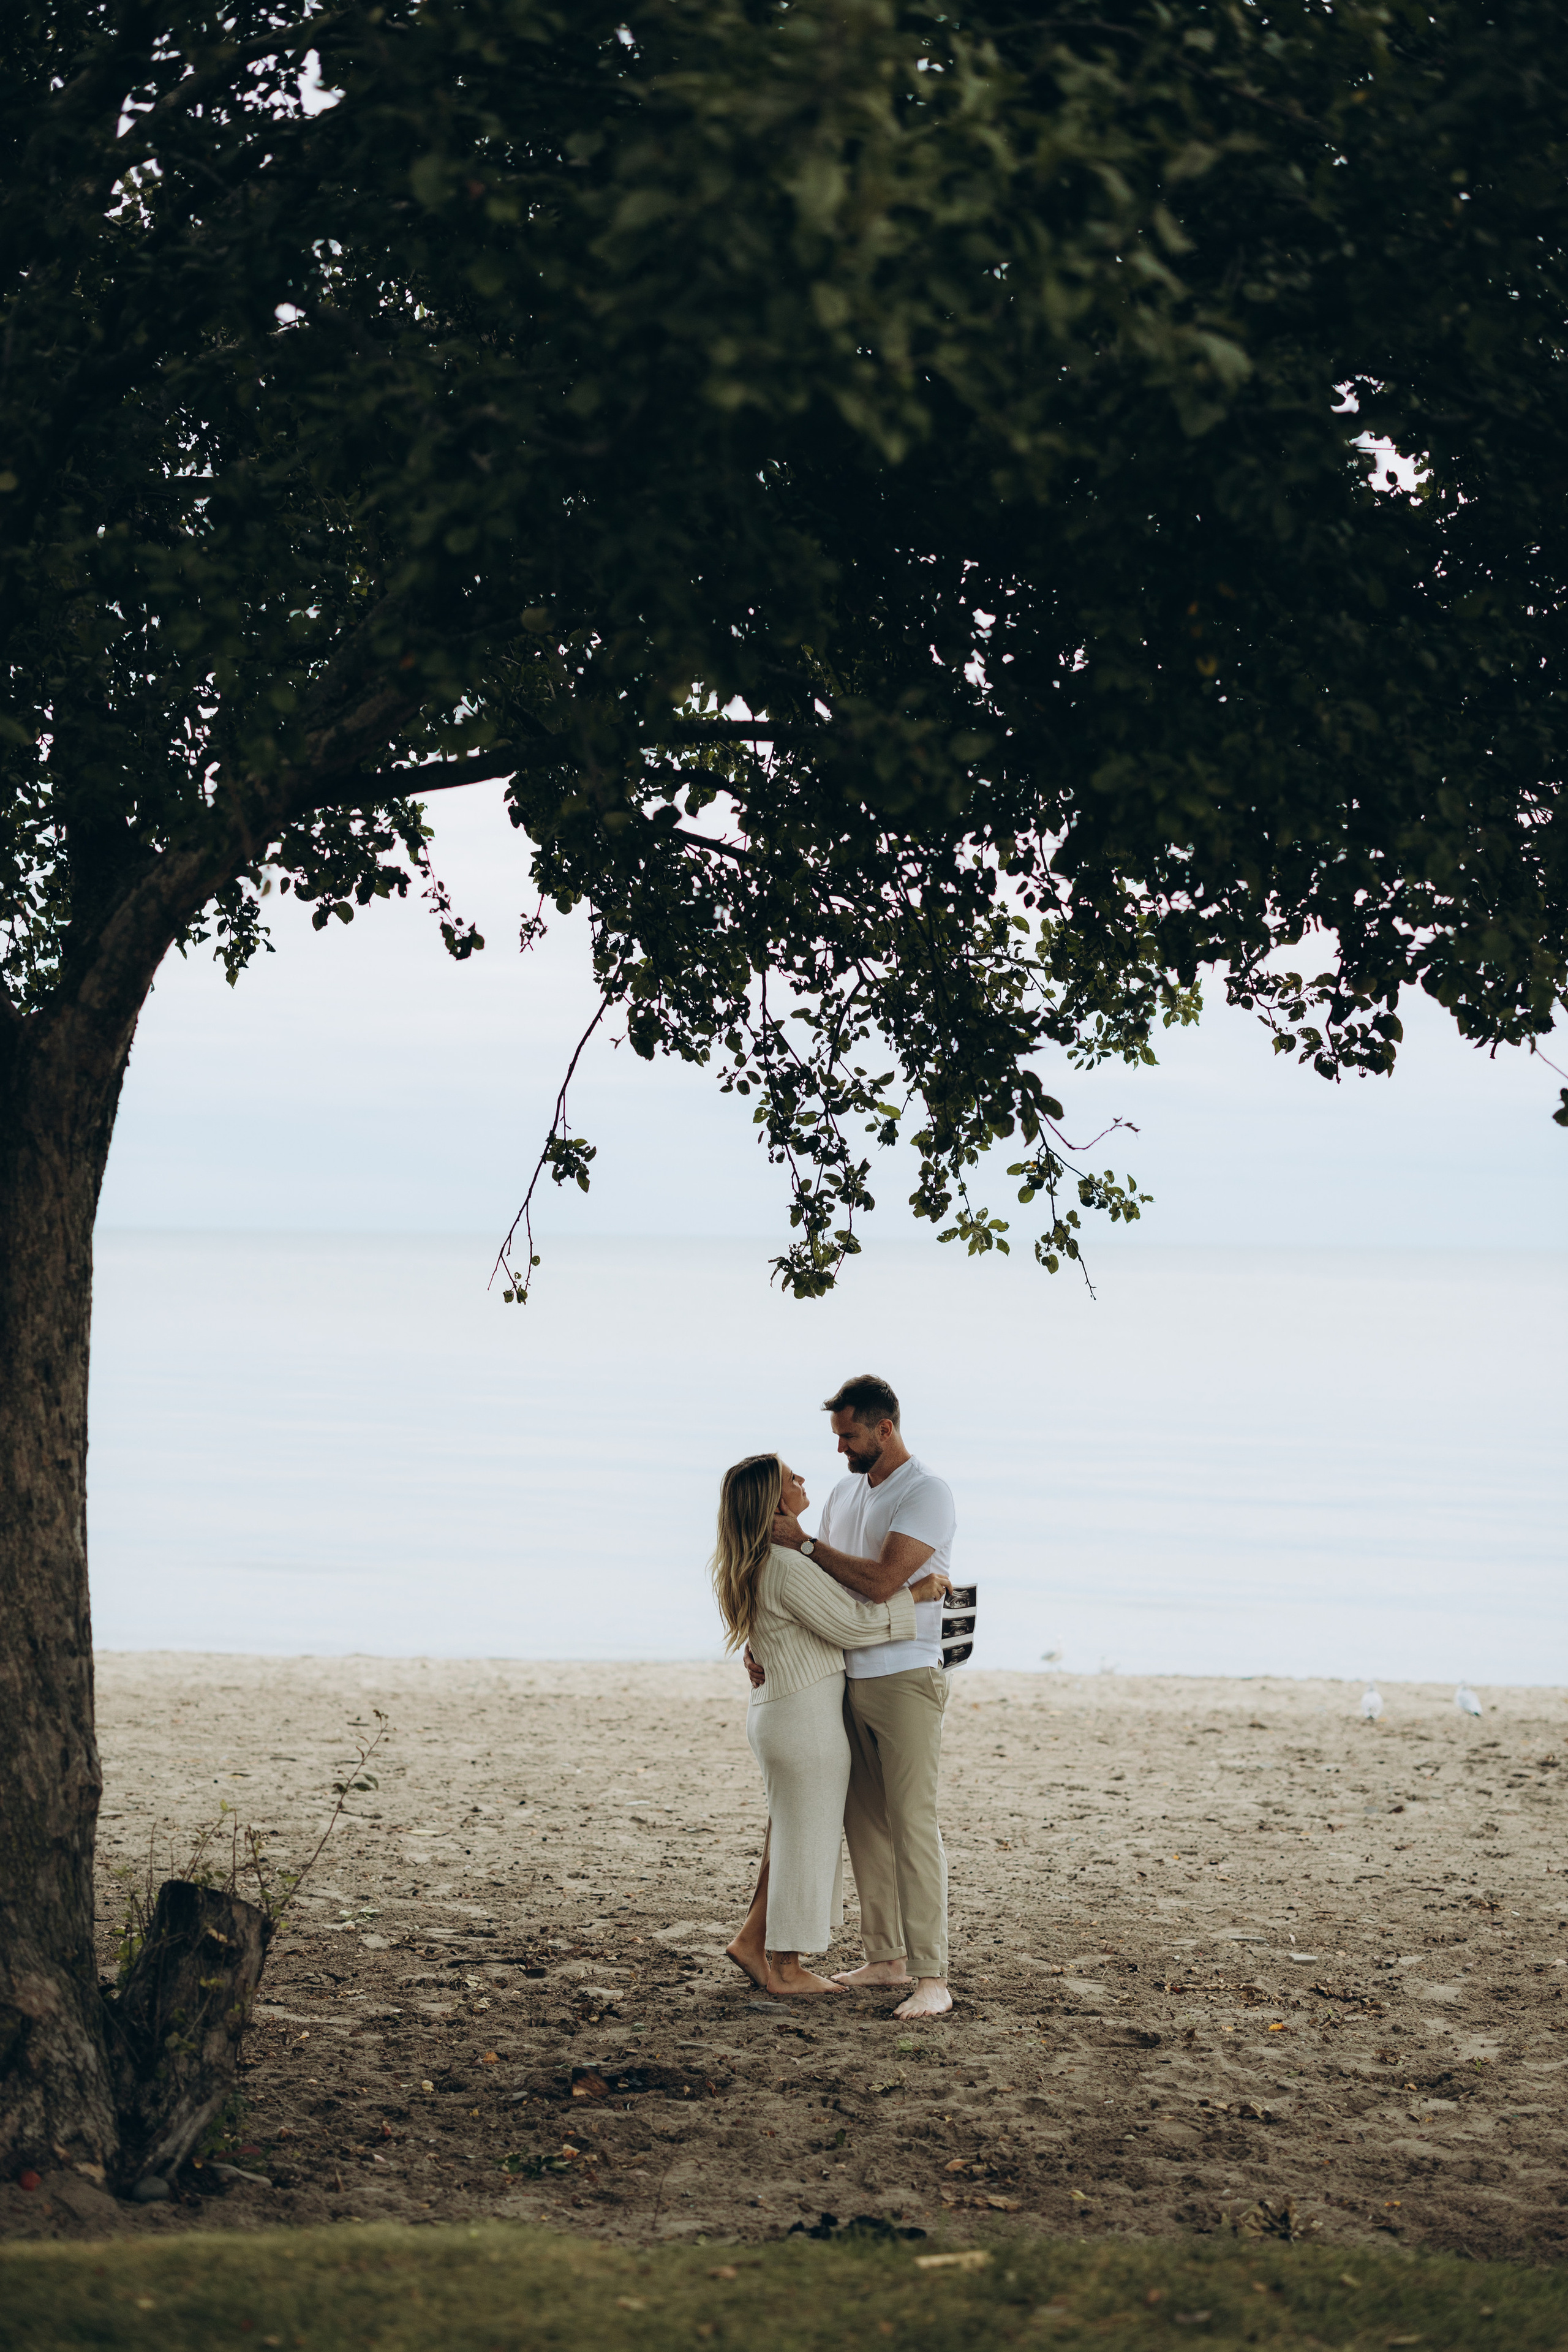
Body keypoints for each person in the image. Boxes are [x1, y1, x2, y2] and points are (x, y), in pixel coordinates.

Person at [711, 1452, 950, 1999]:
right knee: (806, 1845)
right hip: (805, 1722)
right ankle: (787, 1966)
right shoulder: (788, 1563)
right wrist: (915, 1595)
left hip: (783, 1712)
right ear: (775, 1504)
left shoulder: (757, 1560)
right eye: (791, 1479)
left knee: (790, 1837)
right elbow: (849, 1623)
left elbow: (812, 1615)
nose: (802, 1481)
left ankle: (753, 1944)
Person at [757, 1374, 957, 2021]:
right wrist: (760, 1641)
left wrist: (808, 1543)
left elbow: (876, 1584)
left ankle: (932, 1977)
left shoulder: (926, 1492)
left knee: (912, 1826)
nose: (841, 1449)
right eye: (837, 1436)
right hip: (844, 1675)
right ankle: (887, 1957)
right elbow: (810, 1582)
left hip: (905, 1678)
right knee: (864, 1826)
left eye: (849, 1436)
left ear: (885, 1429)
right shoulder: (846, 1492)